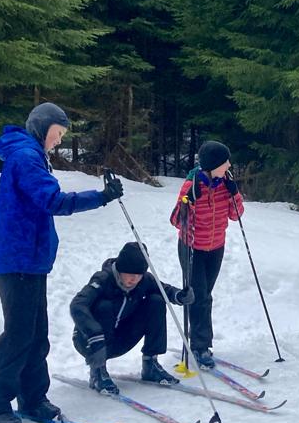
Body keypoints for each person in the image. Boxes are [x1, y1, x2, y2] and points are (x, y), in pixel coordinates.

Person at [0, 102, 123, 423]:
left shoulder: (32, 155)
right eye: (57, 133)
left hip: (30, 260)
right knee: (19, 335)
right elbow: (53, 201)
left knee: (35, 333)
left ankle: (32, 398)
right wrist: (101, 197)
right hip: (16, 258)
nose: (58, 141)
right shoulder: (26, 157)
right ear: (42, 128)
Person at [70, 242, 188, 394]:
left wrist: (180, 296)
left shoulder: (144, 280)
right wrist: (93, 334)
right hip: (90, 342)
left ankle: (150, 364)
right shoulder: (103, 279)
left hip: (120, 338)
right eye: (130, 274)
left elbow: (164, 290)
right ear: (120, 269)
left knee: (156, 301)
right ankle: (98, 372)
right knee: (104, 306)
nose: (134, 279)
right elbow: (77, 305)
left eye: (138, 275)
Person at [169, 140, 244, 369]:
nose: (228, 165)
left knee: (206, 295)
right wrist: (188, 201)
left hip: (216, 247)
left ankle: (202, 342)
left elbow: (236, 215)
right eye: (225, 162)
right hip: (192, 247)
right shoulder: (191, 185)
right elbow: (176, 221)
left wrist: (235, 193)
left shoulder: (225, 184)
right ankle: (199, 346)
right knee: (198, 296)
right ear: (213, 165)